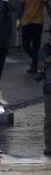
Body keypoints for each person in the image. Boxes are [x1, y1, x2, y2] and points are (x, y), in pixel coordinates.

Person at [19, 0, 51, 73]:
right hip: (27, 22)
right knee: (25, 44)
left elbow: (47, 6)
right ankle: (36, 60)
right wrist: (19, 20)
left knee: (36, 45)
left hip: (38, 23)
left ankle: (34, 65)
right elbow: (22, 7)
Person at [37, 27, 51, 156]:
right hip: (49, 87)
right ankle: (48, 146)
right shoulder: (45, 49)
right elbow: (40, 66)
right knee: (49, 119)